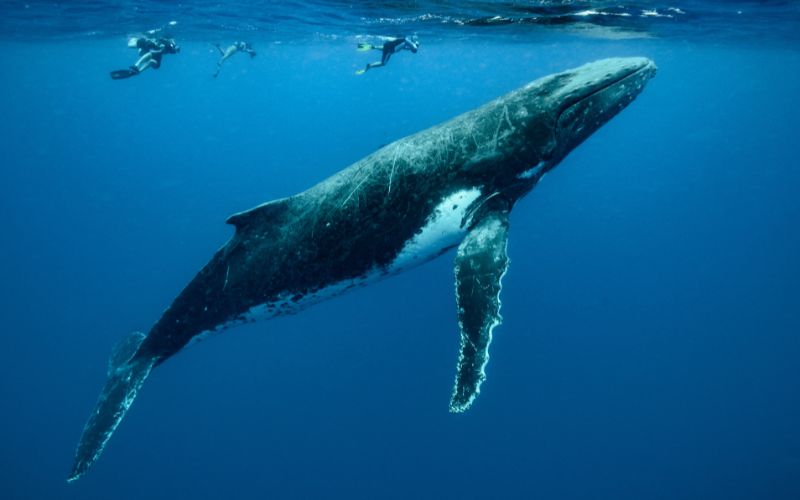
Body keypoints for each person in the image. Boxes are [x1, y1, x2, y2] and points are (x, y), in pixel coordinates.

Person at [110, 36, 180, 80]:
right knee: (132, 45)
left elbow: (153, 57)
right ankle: (136, 67)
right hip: (148, 46)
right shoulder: (150, 43)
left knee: (152, 61)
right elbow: (151, 52)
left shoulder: (165, 47)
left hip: (152, 49)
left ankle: (137, 69)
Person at [355, 35, 419, 75]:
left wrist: (411, 47)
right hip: (390, 49)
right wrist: (414, 46)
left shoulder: (405, 41)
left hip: (387, 45)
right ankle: (370, 66)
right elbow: (414, 49)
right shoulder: (407, 41)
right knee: (383, 63)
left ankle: (374, 47)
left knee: (385, 49)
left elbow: (405, 47)